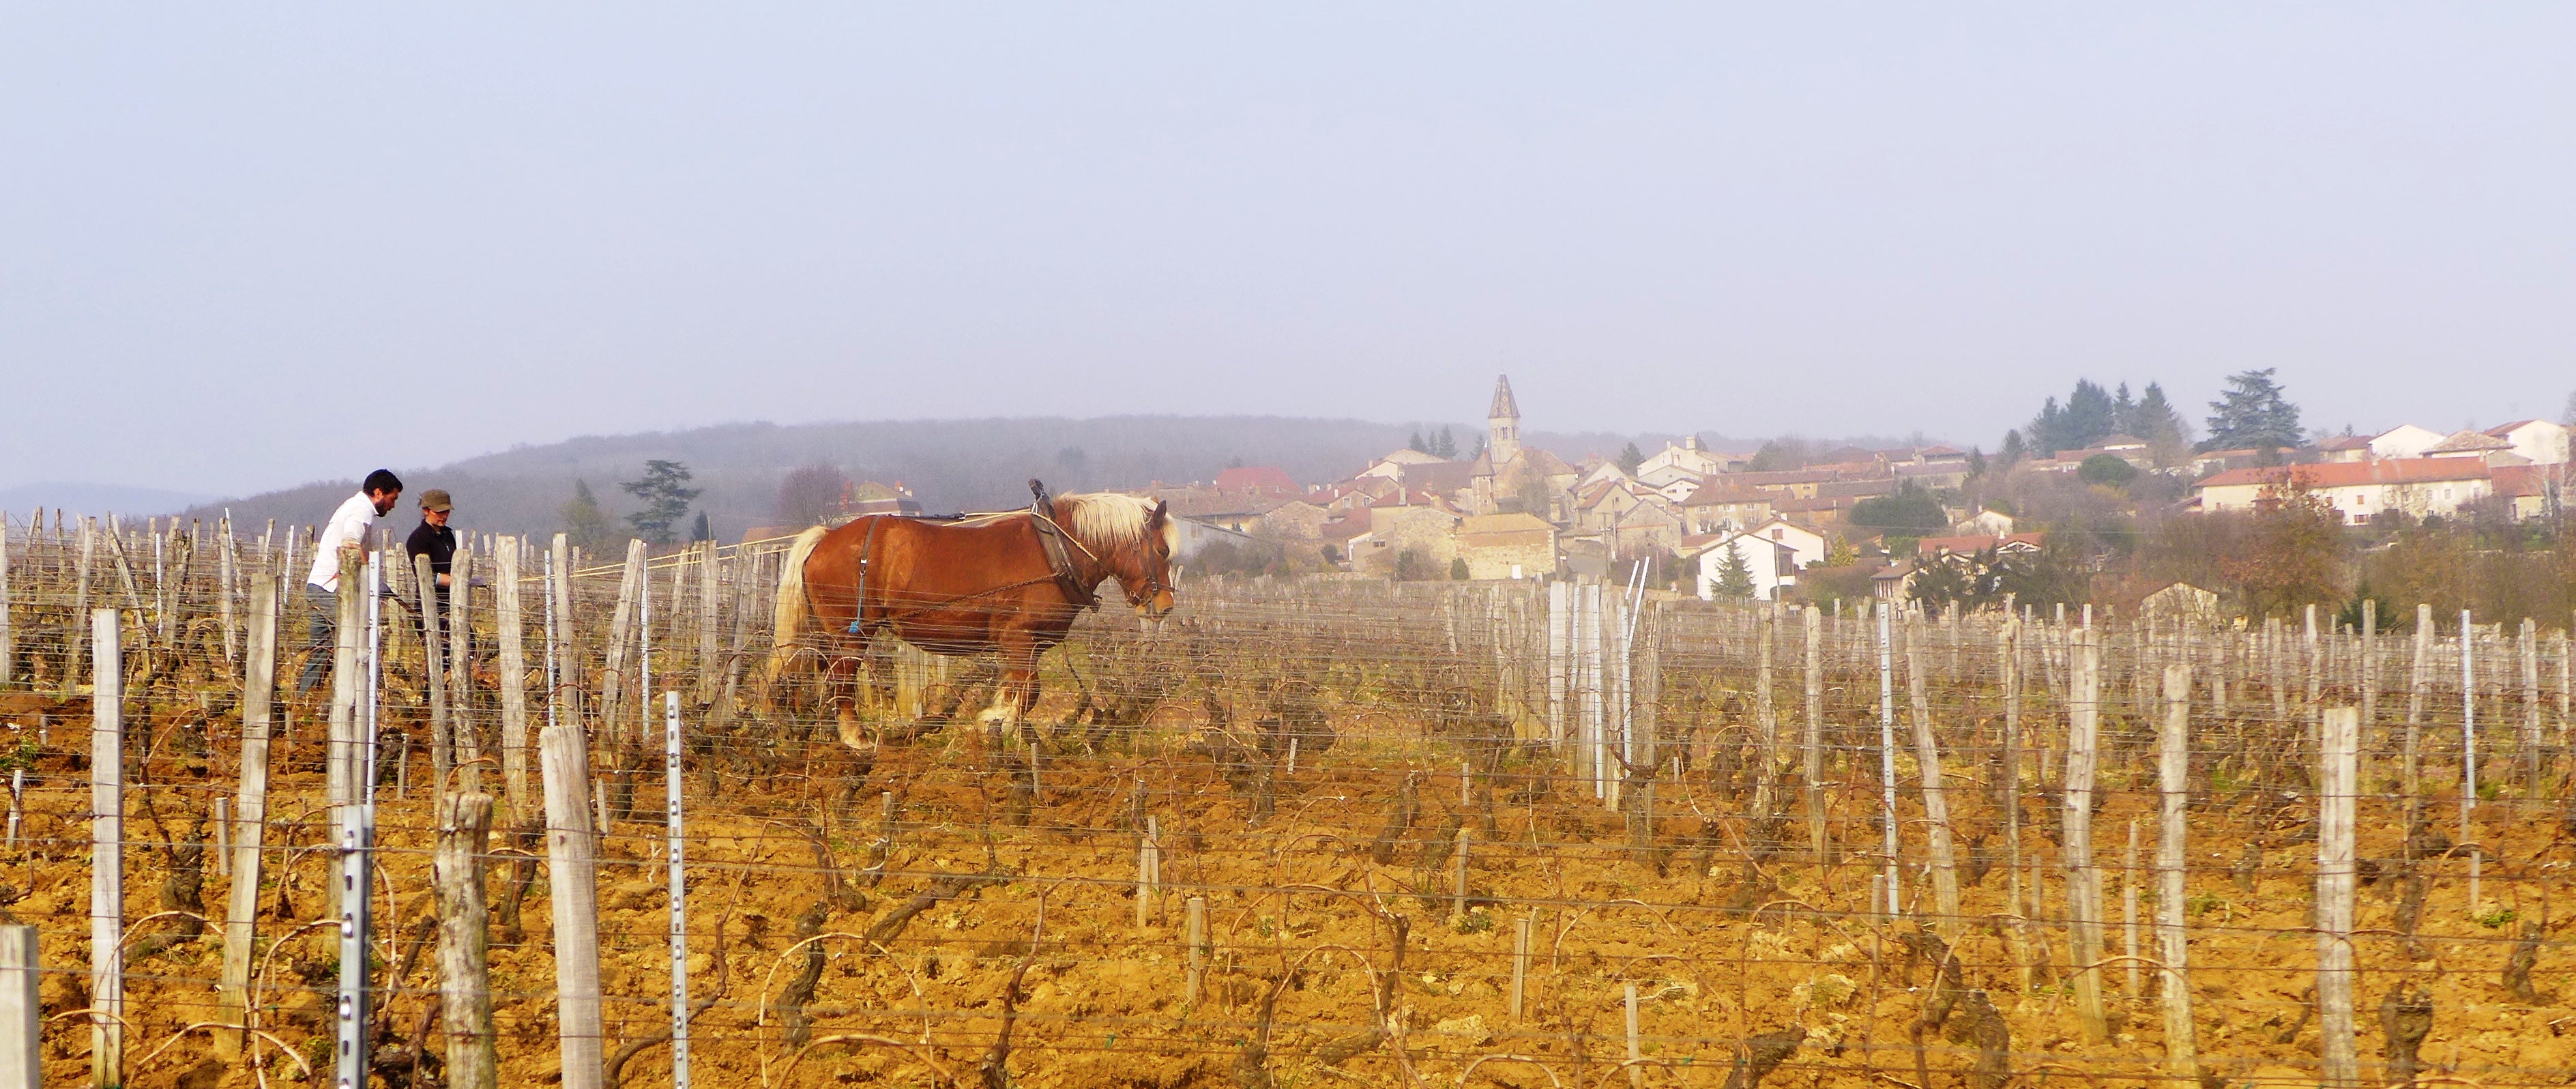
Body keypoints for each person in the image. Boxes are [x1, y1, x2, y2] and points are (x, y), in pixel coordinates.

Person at [295, 469, 402, 696]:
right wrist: (368, 578)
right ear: (378, 493)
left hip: (319, 586)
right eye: (392, 499)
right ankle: (365, 698)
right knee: (360, 640)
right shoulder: (362, 510)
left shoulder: (354, 506)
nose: (393, 506)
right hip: (332, 590)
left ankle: (306, 702)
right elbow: (351, 544)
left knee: (322, 651)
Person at [405, 489, 457, 647]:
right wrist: (456, 581)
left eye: (447, 511)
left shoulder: (448, 535)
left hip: (454, 604)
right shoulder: (418, 539)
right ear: (426, 511)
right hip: (431, 606)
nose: (444, 516)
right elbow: (425, 576)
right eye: (439, 512)